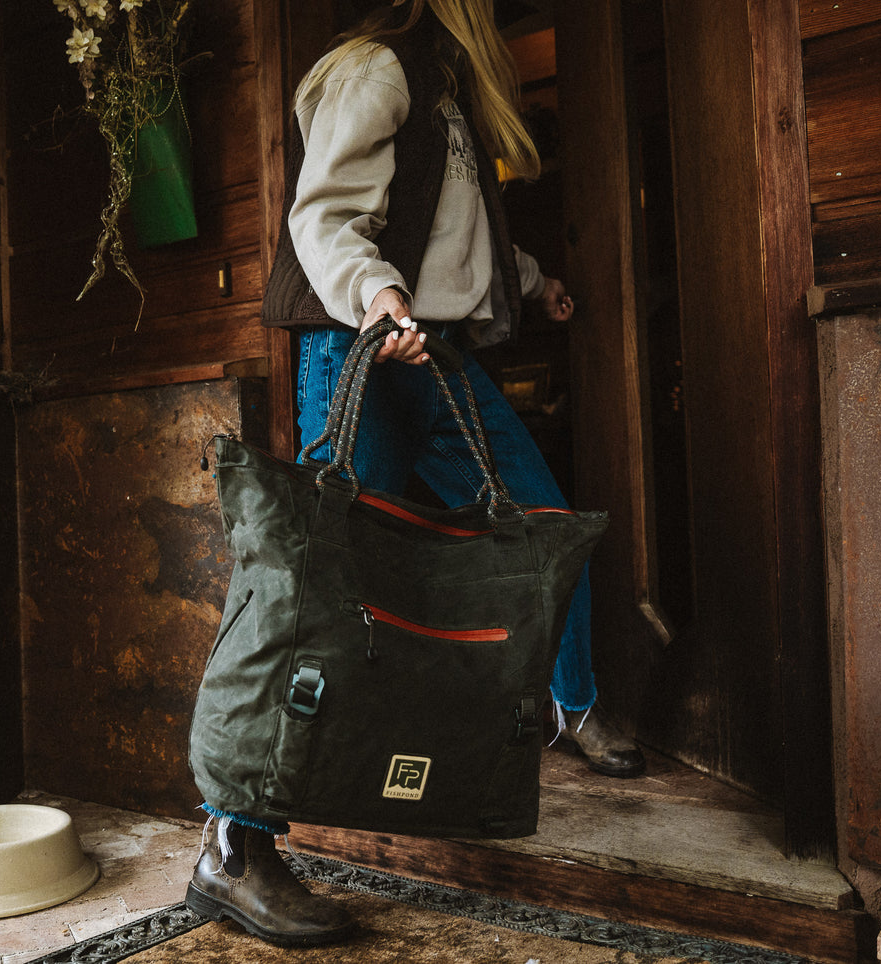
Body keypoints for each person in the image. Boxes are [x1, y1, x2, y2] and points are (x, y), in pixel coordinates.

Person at [186, 0, 644, 947]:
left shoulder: (449, 95)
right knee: (321, 577)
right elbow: (324, 214)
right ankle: (233, 847)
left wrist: (528, 282)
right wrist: (377, 293)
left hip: (433, 353)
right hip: (361, 342)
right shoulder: (375, 68)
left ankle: (573, 704)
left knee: (537, 529)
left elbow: (454, 236)